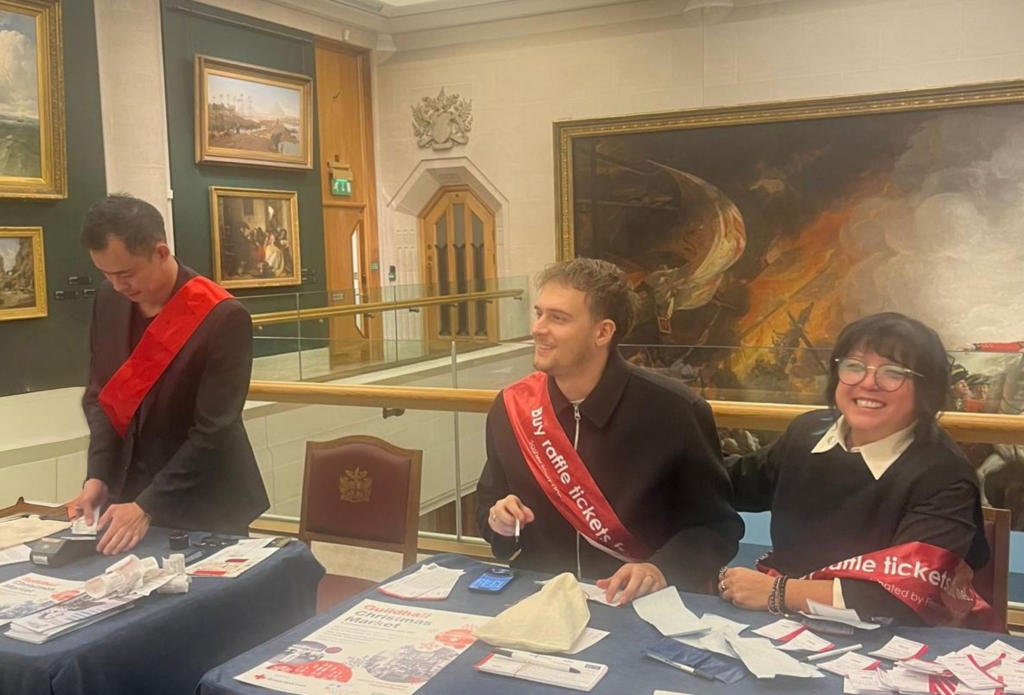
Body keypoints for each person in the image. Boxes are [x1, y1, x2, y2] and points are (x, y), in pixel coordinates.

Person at [476, 258, 743, 604]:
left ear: (603, 332)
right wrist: (498, 520)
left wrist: (660, 569)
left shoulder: (674, 411)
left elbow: (717, 530)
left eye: (558, 318)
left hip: (638, 607)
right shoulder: (511, 407)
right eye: (539, 313)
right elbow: (487, 505)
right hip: (539, 599)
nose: (538, 329)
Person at [719, 313, 993, 627]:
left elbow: (907, 597)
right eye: (854, 366)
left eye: (893, 372)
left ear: (926, 387)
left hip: (892, 639)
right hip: (788, 625)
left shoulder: (945, 475)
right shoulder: (807, 432)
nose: (868, 383)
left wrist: (779, 591)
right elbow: (734, 483)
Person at [65, 194, 269, 555]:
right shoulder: (108, 300)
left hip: (206, 502)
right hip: (127, 497)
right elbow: (102, 398)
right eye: (106, 274)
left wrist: (149, 505)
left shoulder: (222, 316)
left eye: (125, 273)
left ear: (160, 252)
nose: (117, 285)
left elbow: (214, 428)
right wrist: (98, 476)